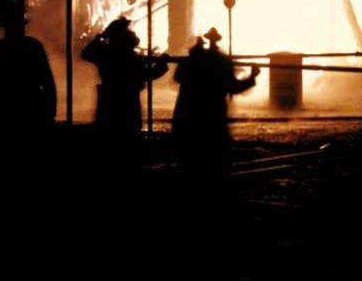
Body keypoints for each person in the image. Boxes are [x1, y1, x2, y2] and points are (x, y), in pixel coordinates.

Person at [172, 27, 260, 182]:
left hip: (188, 114)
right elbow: (233, 86)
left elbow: (178, 77)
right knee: (214, 160)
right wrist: (252, 76)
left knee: (188, 161)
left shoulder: (191, 59)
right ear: (217, 41)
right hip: (212, 116)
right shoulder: (221, 61)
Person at [81, 15, 168, 155]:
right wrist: (162, 64)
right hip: (128, 103)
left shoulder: (104, 54)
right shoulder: (130, 58)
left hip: (108, 103)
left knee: (108, 144)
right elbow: (150, 73)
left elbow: (86, 53)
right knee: (128, 143)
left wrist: (99, 38)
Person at [0, 0, 57, 130]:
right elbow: (48, 83)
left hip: (3, 112)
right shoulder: (34, 47)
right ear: (23, 25)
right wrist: (50, 114)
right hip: (30, 112)